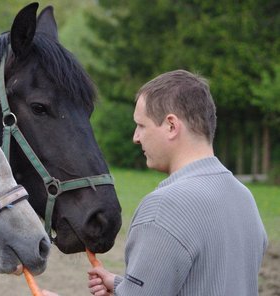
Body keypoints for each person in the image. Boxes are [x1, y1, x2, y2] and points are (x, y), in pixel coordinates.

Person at [43, 69, 268, 296]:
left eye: (141, 125)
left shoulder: (164, 207)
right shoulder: (243, 197)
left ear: (171, 125)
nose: (135, 137)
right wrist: (125, 288)